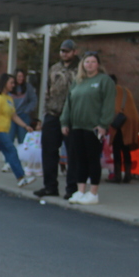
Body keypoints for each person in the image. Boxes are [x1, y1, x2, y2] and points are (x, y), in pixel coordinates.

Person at [61, 51, 115, 205]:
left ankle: (93, 193)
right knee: (79, 159)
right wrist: (64, 122)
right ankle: (80, 191)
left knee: (93, 159)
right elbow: (69, 103)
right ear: (82, 65)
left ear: (98, 64)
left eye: (92, 62)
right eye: (87, 62)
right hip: (77, 126)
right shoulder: (78, 81)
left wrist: (103, 124)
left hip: (94, 128)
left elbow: (108, 104)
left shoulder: (104, 81)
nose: (89, 65)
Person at [35, 39, 80, 199]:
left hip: (72, 117)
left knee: (73, 153)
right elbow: (47, 91)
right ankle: (50, 187)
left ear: (74, 52)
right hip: (53, 114)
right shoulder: (54, 68)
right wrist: (45, 113)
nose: (64, 53)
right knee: (48, 151)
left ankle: (72, 189)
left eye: (67, 51)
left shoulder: (81, 69)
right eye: (62, 51)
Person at [107, 75, 139, 184]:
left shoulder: (112, 92)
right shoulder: (126, 91)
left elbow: (111, 108)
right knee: (126, 149)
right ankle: (127, 175)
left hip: (119, 123)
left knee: (117, 149)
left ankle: (117, 176)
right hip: (129, 122)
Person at [10, 69, 37, 145]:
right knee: (9, 139)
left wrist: (27, 110)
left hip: (23, 115)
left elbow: (34, 100)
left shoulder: (28, 87)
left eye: (22, 76)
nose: (21, 78)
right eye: (19, 76)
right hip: (11, 116)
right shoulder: (10, 86)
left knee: (23, 140)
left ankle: (22, 152)